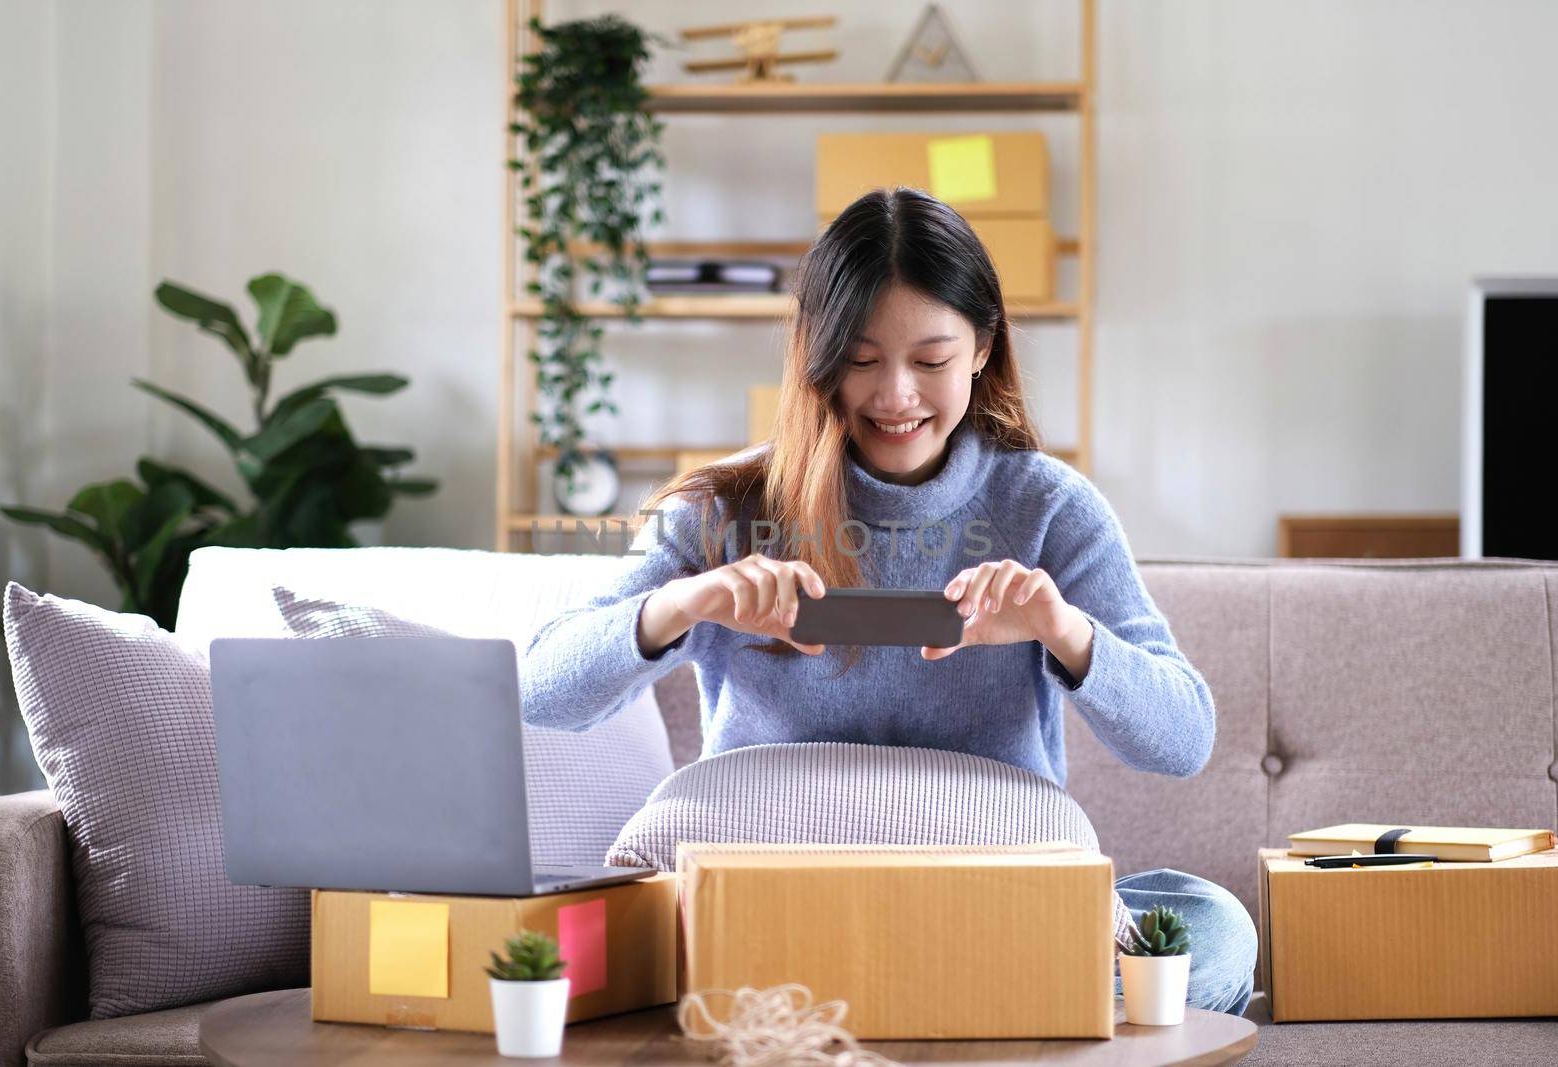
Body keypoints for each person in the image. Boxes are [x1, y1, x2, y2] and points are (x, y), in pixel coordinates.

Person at [520, 186, 1257, 1016]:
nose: (896, 395)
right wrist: (682, 606)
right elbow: (541, 691)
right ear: (815, 354)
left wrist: (1064, 629)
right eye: (863, 361)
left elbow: (1184, 739)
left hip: (984, 893)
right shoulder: (726, 507)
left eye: (931, 360)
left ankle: (863, 993)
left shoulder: (1049, 507)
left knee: (1219, 925)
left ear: (983, 347)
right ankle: (966, 996)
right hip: (768, 890)